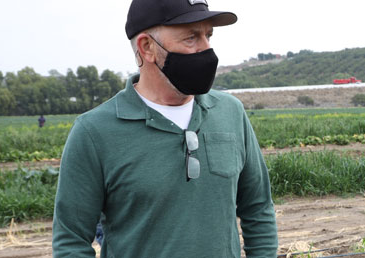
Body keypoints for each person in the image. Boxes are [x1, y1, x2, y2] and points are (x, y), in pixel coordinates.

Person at [52, 0, 278, 257]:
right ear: (147, 47)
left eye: (208, 36)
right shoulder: (94, 132)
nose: (207, 49)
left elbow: (257, 208)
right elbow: (71, 240)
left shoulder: (230, 112)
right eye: (191, 38)